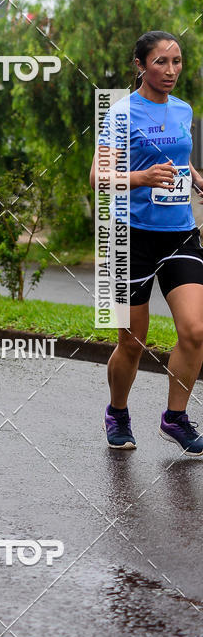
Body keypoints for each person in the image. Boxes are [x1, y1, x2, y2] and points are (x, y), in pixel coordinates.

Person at [90, 31, 203, 455]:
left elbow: (178, 156)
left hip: (180, 233)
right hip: (129, 238)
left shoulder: (183, 109)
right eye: (161, 62)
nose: (171, 70)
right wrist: (141, 178)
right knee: (132, 342)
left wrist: (194, 178)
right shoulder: (121, 113)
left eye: (177, 61)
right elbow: (98, 178)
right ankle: (117, 412)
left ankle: (175, 418)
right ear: (140, 65)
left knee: (195, 331)